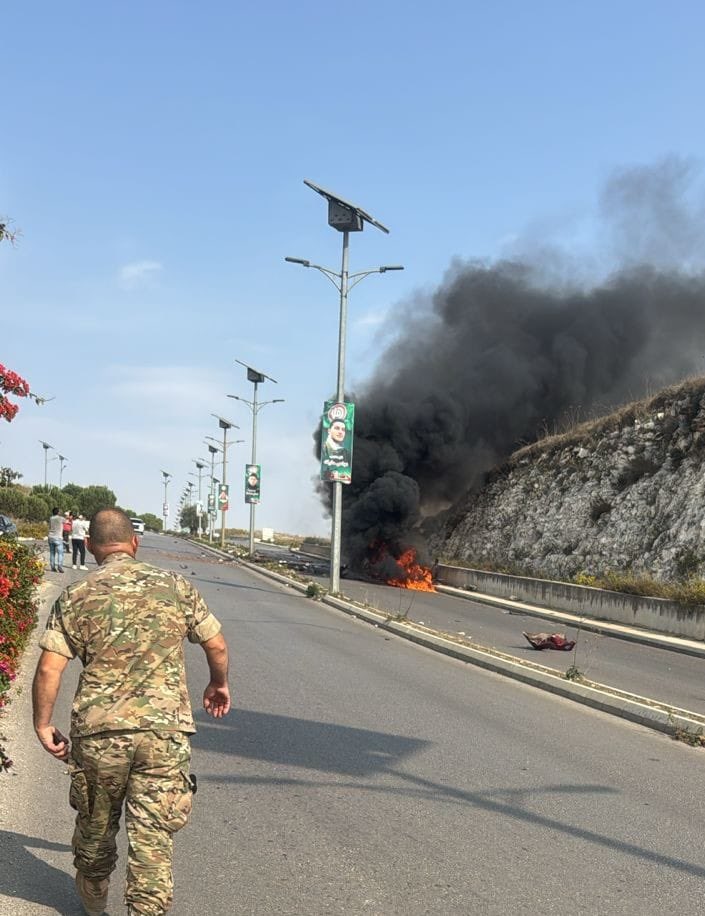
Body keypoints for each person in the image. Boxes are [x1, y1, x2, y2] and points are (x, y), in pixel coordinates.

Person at [32, 507, 231, 916]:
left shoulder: (76, 594)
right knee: (153, 839)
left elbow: (51, 666)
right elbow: (217, 645)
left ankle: (94, 905)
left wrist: (43, 723)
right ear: (134, 543)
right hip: (164, 735)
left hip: (100, 736)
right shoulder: (176, 586)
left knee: (95, 830)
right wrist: (218, 683)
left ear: (89, 546)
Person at [48, 507, 65, 573]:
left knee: (52, 553)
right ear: (58, 512)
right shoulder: (61, 518)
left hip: (50, 536)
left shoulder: (51, 518)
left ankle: (52, 567)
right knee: (60, 553)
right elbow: (67, 521)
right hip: (58, 537)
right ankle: (60, 566)